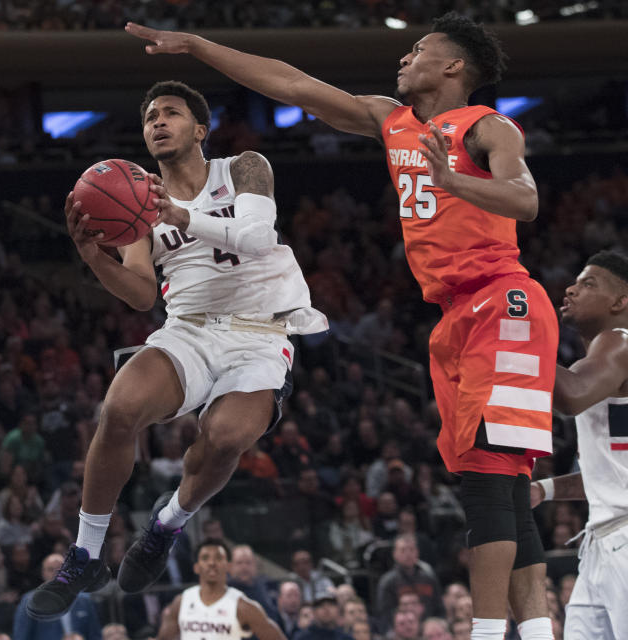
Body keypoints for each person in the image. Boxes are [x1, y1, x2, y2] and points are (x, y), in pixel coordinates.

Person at [125, 14, 557, 640]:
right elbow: (292, 85)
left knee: (490, 481)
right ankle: (537, 631)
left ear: (453, 67)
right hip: (455, 316)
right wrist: (196, 46)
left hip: (501, 299)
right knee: (501, 484)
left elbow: (527, 199)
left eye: (419, 49)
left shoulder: (485, 126)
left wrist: (452, 179)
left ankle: (490, 632)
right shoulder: (394, 121)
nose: (404, 58)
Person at [28, 79, 327, 620]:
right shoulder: (137, 201)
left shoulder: (243, 168)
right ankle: (85, 554)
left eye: (170, 113)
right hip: (188, 328)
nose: (158, 122)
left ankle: (167, 523)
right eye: (149, 118)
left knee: (226, 437)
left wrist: (181, 215)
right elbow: (142, 293)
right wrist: (94, 258)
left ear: (201, 129)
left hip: (260, 333)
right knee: (118, 408)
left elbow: (259, 238)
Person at [531, 250, 628, 639]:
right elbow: (611, 473)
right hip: (602, 543)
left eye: (589, 284)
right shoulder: (609, 362)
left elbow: (571, 396)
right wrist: (545, 489)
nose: (571, 288)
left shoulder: (619, 344)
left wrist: (515, 336)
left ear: (620, 302)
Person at [154, 538, 284, 640]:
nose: (212, 563)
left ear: (228, 566)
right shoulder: (181, 602)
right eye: (205, 558)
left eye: (218, 558)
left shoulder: (244, 606)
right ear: (196, 567)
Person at [13, 553, 102, 640]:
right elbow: (21, 636)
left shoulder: (84, 600)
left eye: (60, 569)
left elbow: (95, 635)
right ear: (43, 573)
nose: (56, 573)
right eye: (50, 569)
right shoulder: (30, 600)